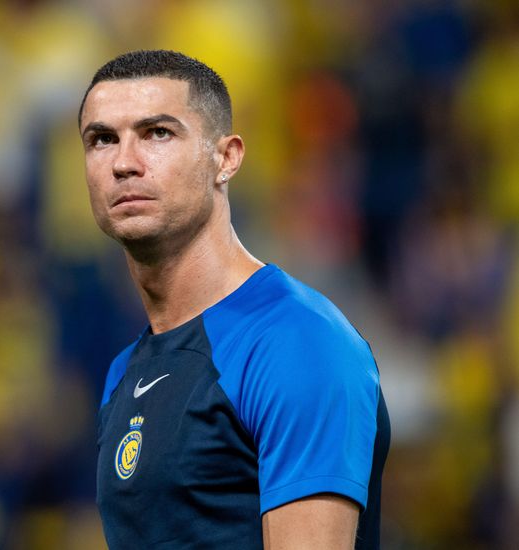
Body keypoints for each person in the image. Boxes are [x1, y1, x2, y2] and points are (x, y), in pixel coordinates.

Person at [78, 50, 389, 549]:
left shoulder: (297, 342)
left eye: (158, 133)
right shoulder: (124, 372)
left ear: (226, 158)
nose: (123, 163)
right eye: (102, 139)